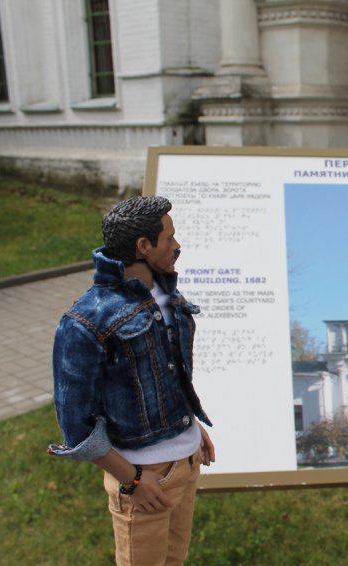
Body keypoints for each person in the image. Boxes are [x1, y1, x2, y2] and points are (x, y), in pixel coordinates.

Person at [48, 195, 214, 565]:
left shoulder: (167, 295)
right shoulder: (86, 320)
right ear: (143, 246)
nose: (177, 245)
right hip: (146, 476)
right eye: (168, 238)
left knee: (175, 559)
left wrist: (189, 425)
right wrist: (132, 478)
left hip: (186, 463)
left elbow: (167, 370)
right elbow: (75, 423)